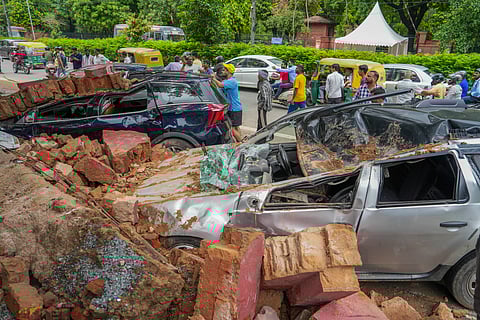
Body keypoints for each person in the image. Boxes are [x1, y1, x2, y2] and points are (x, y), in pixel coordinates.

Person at [211, 63, 243, 142]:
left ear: (228, 71)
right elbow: (218, 87)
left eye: (224, 70)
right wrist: (212, 81)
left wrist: (213, 78)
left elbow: (220, 85)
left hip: (234, 108)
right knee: (236, 127)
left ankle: (241, 143)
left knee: (231, 128)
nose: (223, 71)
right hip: (234, 107)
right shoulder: (228, 81)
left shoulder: (232, 81)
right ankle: (241, 141)